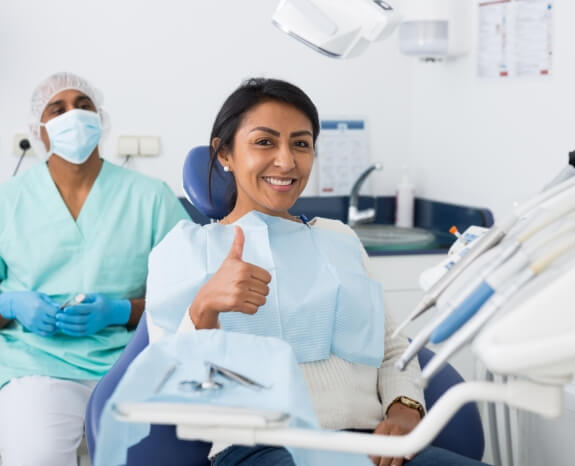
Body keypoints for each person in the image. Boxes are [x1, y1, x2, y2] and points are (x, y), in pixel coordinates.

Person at [140, 78, 490, 466]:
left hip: (373, 447)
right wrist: (203, 309)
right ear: (225, 154)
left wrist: (405, 409)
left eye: (301, 144)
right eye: (264, 142)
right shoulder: (185, 250)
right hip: (262, 449)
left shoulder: (338, 239)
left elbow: (392, 347)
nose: (287, 161)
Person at [0, 72, 190, 466]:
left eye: (84, 106)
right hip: (39, 365)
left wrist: (122, 311)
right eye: (58, 108)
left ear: (100, 118)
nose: (74, 115)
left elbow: (188, 299)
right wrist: (13, 306)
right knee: (37, 455)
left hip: (133, 360)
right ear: (41, 129)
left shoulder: (151, 198)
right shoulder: (8, 201)